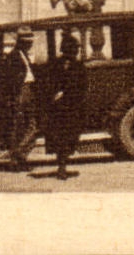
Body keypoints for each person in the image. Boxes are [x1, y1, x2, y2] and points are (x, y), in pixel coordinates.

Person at [43, 32, 87, 180]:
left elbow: (82, 87)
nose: (75, 52)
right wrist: (54, 94)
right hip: (58, 109)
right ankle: (62, 166)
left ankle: (63, 163)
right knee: (60, 137)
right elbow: (49, 83)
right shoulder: (55, 65)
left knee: (69, 138)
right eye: (73, 49)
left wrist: (67, 93)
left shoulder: (79, 66)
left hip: (72, 107)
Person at [2, 27, 38, 170]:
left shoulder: (23, 55)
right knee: (27, 126)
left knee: (27, 126)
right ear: (20, 42)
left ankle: (18, 157)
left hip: (27, 91)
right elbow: (11, 79)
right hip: (22, 93)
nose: (30, 45)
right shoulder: (14, 57)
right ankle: (18, 155)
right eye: (27, 42)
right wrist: (16, 95)